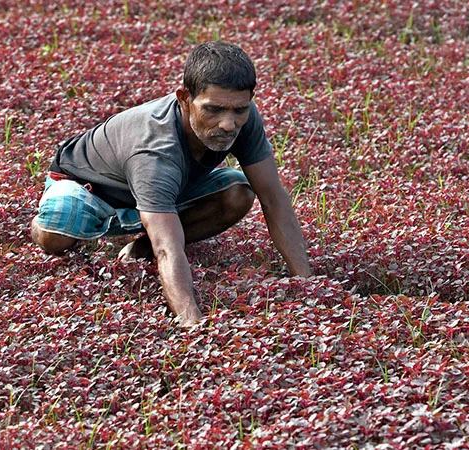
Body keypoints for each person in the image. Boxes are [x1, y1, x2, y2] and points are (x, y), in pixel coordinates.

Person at [30, 41, 312, 327]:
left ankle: (138, 249)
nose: (228, 124)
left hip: (163, 190)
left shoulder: (243, 119)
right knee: (55, 238)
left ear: (250, 99)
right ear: (184, 98)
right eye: (213, 109)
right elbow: (167, 246)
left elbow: (273, 197)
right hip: (89, 188)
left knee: (237, 193)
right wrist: (192, 323)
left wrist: (306, 285)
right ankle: (46, 217)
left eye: (239, 109)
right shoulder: (155, 149)